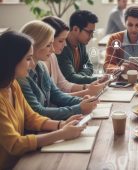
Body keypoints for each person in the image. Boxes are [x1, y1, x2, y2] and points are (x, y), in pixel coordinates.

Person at [0, 31, 86, 170]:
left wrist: (61, 124)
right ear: (12, 61)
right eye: (28, 59)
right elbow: (15, 144)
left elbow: (31, 118)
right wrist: (61, 134)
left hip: (21, 160)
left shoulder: (13, 85)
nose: (32, 63)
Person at [18, 21, 98, 120]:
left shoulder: (41, 67)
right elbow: (37, 111)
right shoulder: (21, 77)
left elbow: (56, 94)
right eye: (48, 45)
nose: (52, 50)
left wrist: (81, 101)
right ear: (34, 45)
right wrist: (79, 108)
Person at [42, 16, 108, 98]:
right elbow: (54, 97)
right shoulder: (57, 54)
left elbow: (89, 66)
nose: (65, 44)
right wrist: (88, 89)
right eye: (61, 41)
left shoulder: (52, 57)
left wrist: (87, 86)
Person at [104, 6, 138, 77]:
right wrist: (120, 69)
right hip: (121, 83)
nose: (133, 29)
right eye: (130, 25)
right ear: (125, 23)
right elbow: (107, 65)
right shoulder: (114, 38)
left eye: (137, 25)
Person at [57, 10, 99, 84]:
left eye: (92, 32)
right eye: (89, 32)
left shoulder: (81, 43)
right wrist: (98, 79)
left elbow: (88, 66)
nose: (91, 36)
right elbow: (70, 78)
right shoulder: (61, 48)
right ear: (75, 29)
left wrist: (78, 76)